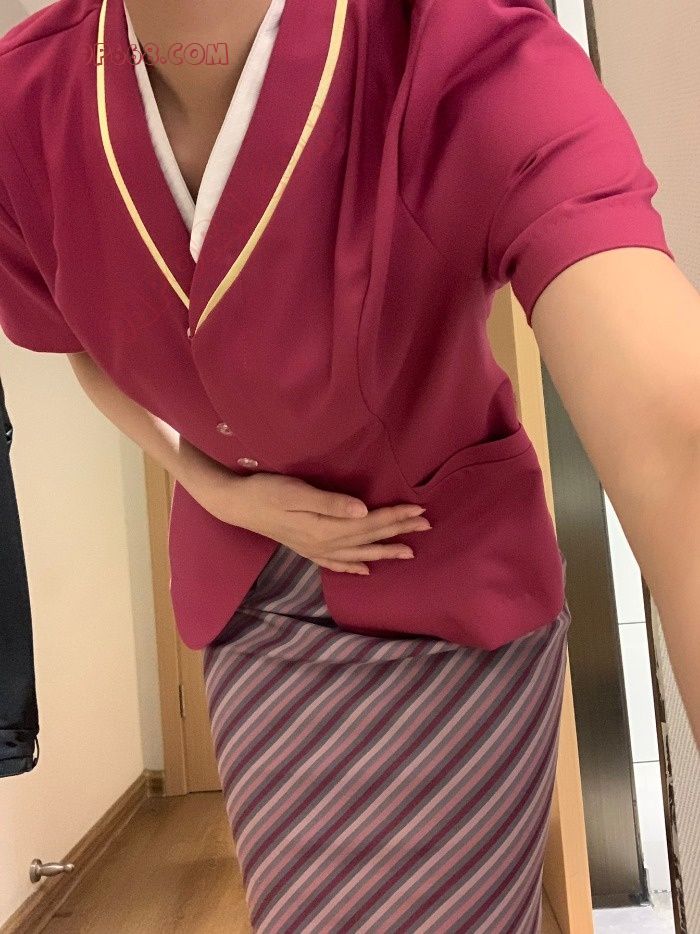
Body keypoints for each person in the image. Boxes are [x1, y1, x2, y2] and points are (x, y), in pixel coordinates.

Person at [0, 0, 698, 929]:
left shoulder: (461, 46)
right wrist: (215, 488)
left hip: (446, 603)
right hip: (251, 605)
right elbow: (72, 333)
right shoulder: (25, 102)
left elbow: (676, 440)